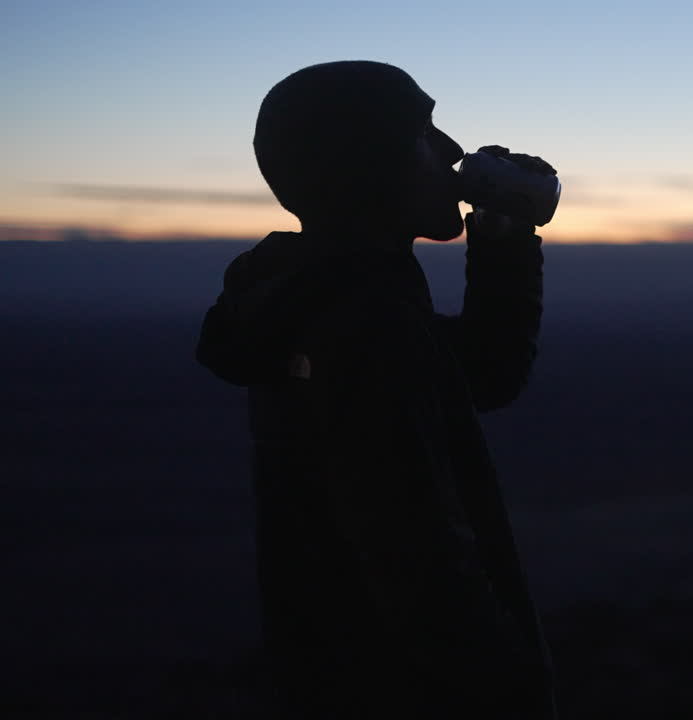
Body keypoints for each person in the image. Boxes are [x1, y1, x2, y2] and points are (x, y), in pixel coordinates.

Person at [196, 60, 557, 719]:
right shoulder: (362, 322)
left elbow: (478, 374)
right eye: (424, 132)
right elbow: (418, 561)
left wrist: (504, 234)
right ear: (365, 162)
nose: (451, 151)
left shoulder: (330, 295)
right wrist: (504, 687)